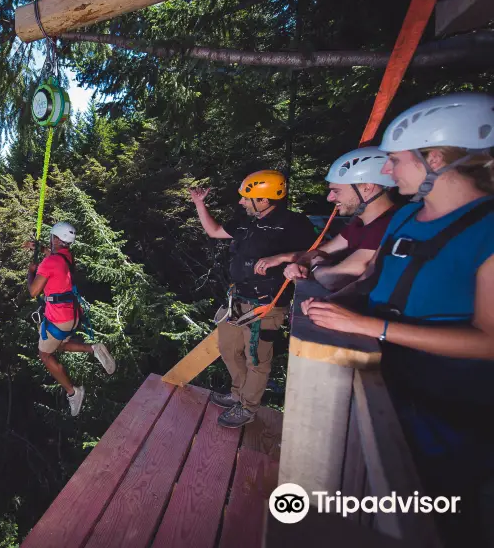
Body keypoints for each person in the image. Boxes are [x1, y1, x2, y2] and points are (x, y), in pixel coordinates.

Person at [301, 93, 494, 547]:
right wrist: (337, 306)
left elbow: (489, 341)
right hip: (387, 376)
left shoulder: (487, 230)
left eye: (395, 160)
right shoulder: (406, 215)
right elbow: (373, 276)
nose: (386, 172)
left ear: (437, 159)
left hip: (451, 401)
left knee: (437, 511)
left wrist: (370, 327)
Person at [189, 170, 317, 428]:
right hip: (237, 298)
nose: (242, 202)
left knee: (256, 358)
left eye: (248, 198)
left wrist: (281, 258)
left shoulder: (294, 224)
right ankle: (237, 392)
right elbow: (214, 231)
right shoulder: (246, 221)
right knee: (227, 347)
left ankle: (247, 407)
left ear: (266, 199)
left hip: (267, 303)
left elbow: (314, 254)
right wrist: (199, 204)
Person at [255, 147, 398, 290]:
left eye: (336, 191)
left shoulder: (390, 225)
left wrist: (315, 264)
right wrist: (300, 262)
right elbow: (320, 251)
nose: (330, 198)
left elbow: (334, 278)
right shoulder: (359, 224)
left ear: (367, 187)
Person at [25, 222, 116, 417]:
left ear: (57, 240)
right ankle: (93, 348)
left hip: (58, 318)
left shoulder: (49, 263)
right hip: (72, 316)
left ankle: (73, 392)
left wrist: (30, 272)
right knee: (58, 346)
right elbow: (53, 254)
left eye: (52, 238)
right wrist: (39, 248)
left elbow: (33, 291)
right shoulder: (66, 256)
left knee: (45, 356)